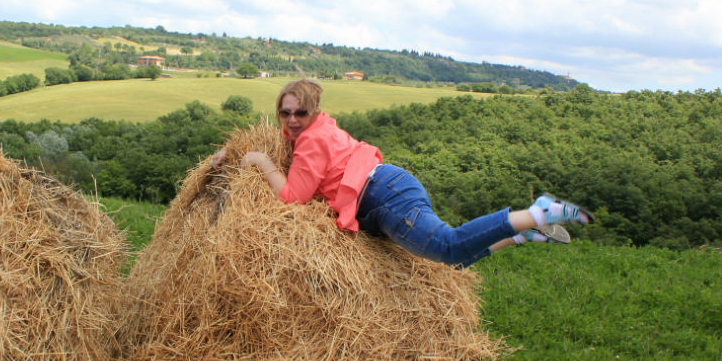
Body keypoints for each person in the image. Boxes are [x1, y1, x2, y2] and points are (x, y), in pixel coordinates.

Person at [210, 79, 593, 268]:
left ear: (314, 112)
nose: (291, 120)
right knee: (453, 262)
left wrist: (262, 164)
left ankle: (539, 211)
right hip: (384, 191)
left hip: (381, 196)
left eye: (300, 113)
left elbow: (291, 196)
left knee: (448, 246)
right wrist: (232, 150)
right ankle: (522, 235)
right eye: (285, 113)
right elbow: (269, 138)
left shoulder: (311, 140)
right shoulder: (313, 129)